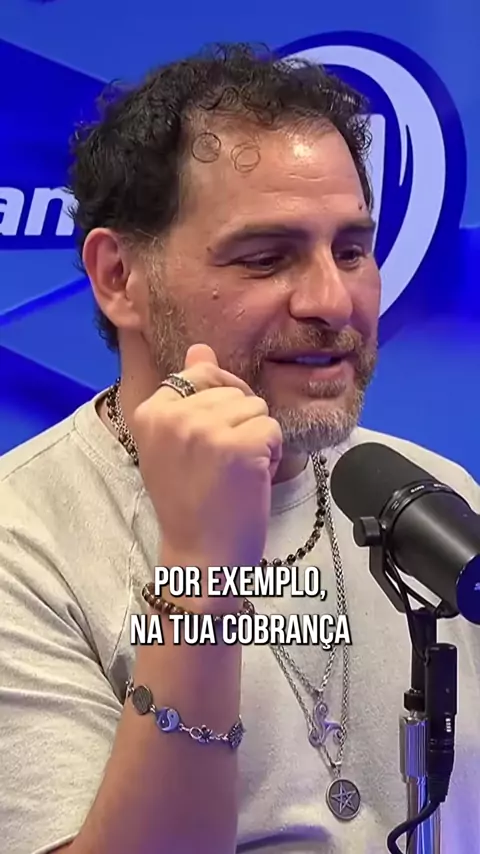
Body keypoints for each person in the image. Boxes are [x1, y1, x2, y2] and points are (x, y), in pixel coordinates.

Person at [0, 43, 479, 854]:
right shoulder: (22, 538)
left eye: (351, 250)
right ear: (118, 277)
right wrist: (201, 568)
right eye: (266, 258)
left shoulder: (433, 493)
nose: (332, 300)